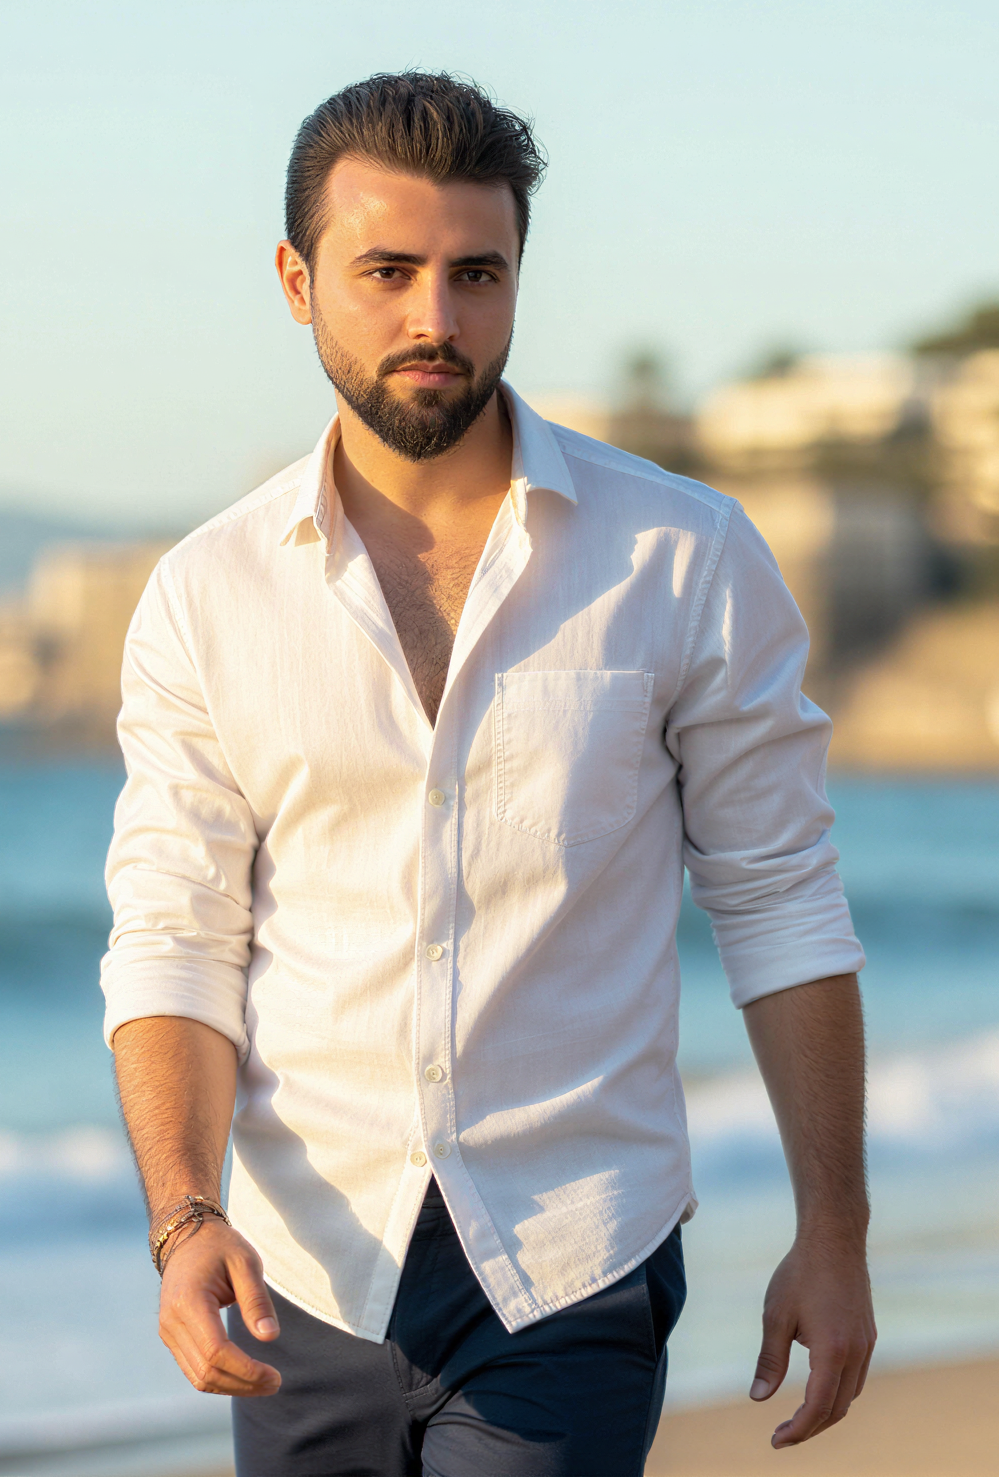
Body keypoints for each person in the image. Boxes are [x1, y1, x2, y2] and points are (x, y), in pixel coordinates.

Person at [102, 71, 875, 1476]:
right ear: (297, 278)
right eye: (386, 272)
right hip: (302, 1272)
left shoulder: (681, 558)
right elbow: (174, 935)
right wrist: (183, 1214)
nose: (434, 320)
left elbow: (782, 904)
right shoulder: (205, 595)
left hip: (573, 1253)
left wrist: (836, 1232)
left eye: (476, 274)